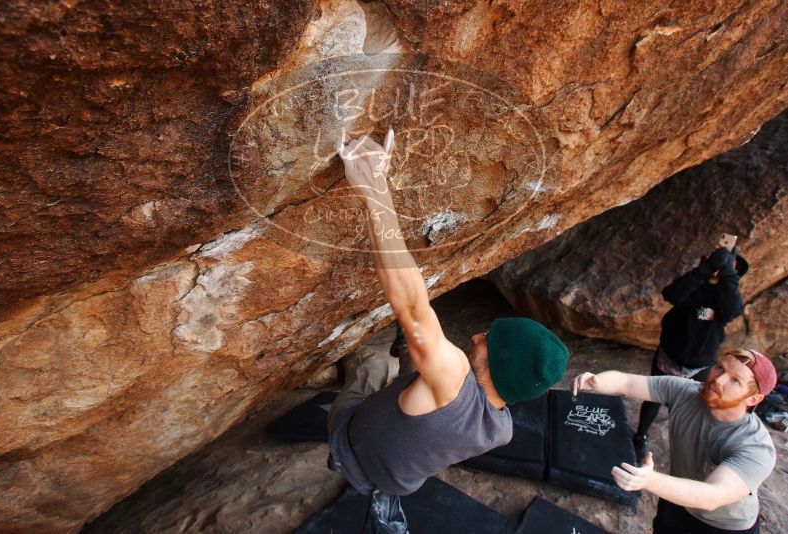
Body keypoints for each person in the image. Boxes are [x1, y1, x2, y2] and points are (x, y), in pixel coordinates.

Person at [326, 131, 570, 532]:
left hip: (351, 443)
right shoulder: (501, 428)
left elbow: (410, 305)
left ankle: (353, 424)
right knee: (415, 364)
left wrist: (373, 186)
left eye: (488, 341)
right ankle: (387, 496)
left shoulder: (454, 374)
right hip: (398, 480)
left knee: (369, 364)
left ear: (498, 366)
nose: (476, 337)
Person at [572, 348, 777, 534]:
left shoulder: (755, 447)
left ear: (753, 399)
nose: (719, 380)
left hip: (723, 525)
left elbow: (713, 496)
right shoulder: (686, 392)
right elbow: (626, 382)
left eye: (735, 380)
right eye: (719, 368)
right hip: (676, 501)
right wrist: (597, 381)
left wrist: (649, 480)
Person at [634, 246, 749, 459]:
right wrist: (703, 272)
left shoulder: (724, 299)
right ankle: (640, 436)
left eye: (729, 267)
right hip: (670, 355)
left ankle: (697, 446)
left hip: (701, 362)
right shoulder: (695, 286)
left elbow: (733, 309)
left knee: (701, 403)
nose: (721, 269)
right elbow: (672, 294)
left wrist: (728, 274)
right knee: (653, 398)